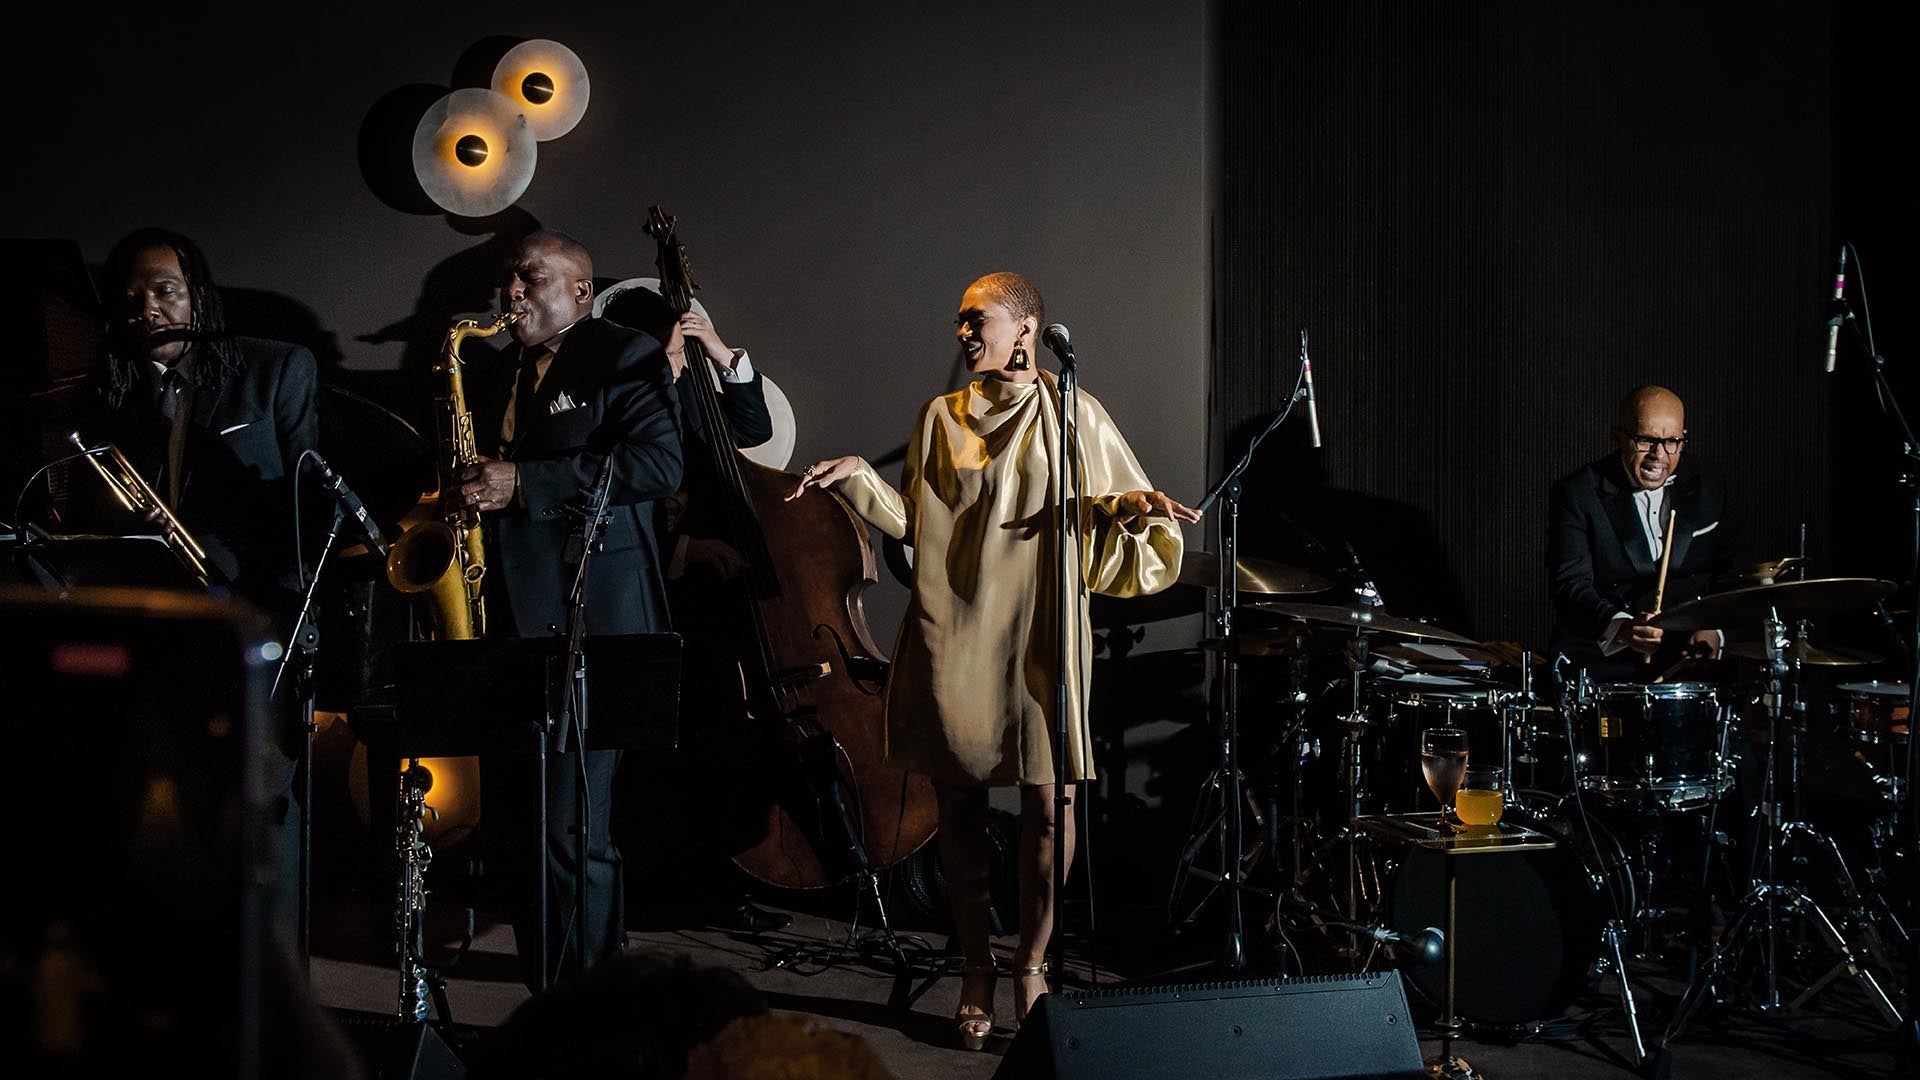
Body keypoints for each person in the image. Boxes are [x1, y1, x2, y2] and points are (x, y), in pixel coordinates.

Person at [787, 272, 1198, 1049]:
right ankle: (976, 965)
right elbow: (915, 522)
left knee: (1051, 807)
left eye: (979, 320)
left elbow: (1109, 503)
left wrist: (1129, 506)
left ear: (1028, 330)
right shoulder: (941, 416)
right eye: (960, 322)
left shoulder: (1074, 409)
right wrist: (861, 481)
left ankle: (1032, 965)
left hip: (1041, 633)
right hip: (958, 626)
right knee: (963, 808)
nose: (965, 333)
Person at [455, 229, 684, 991]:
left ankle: (589, 1000)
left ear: (581, 292)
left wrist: (522, 483)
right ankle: (545, 994)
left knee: (572, 826)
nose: (512, 293)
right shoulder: (496, 375)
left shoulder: (622, 353)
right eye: (507, 282)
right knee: (523, 829)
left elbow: (658, 462)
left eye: (531, 278)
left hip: (594, 622)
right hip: (512, 625)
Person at [88, 227, 321, 932]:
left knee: (261, 808)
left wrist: (280, 606)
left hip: (258, 623)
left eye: (165, 291)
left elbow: (309, 504)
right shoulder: (112, 390)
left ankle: (276, 972)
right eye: (133, 297)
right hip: (162, 628)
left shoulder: (274, 369)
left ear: (198, 297)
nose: (148, 309)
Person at [1547, 385, 1748, 684]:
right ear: (1618, 437)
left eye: (1672, 442)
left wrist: (1717, 630)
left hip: (1692, 660)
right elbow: (1570, 586)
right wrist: (1623, 628)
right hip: (1608, 660)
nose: (1659, 455)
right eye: (1646, 440)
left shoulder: (1713, 485)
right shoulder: (1578, 493)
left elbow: (1740, 572)